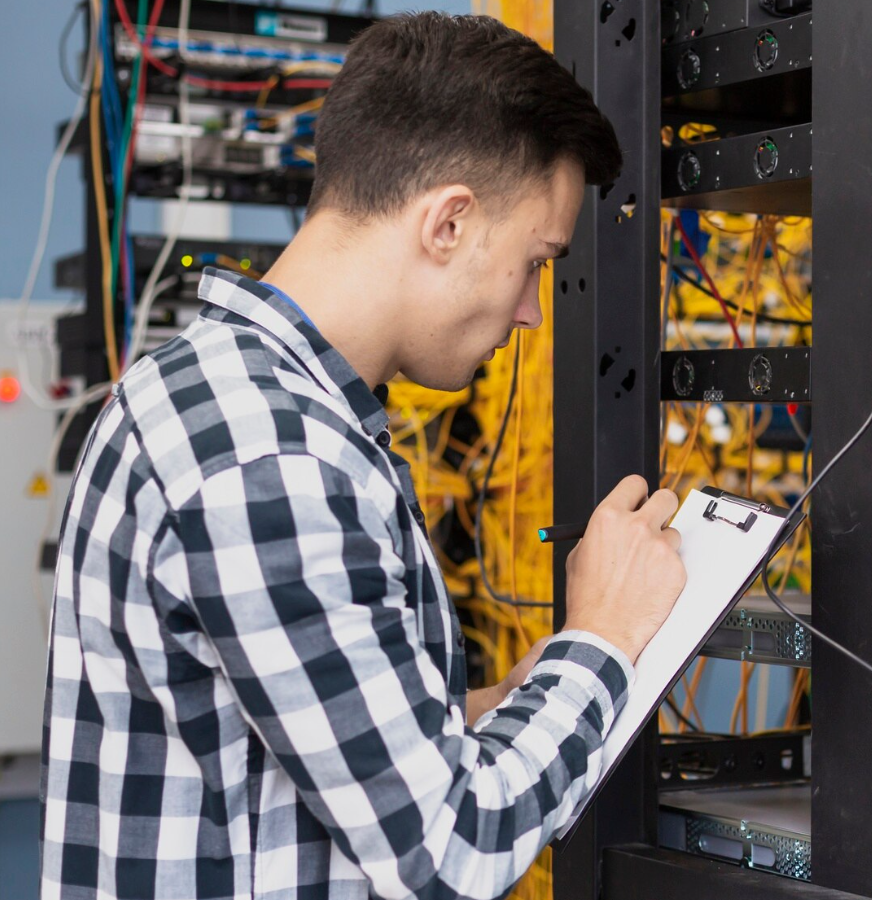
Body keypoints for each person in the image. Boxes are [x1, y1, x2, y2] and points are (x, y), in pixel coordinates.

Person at [40, 13, 686, 900]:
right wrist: (603, 637)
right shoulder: (266, 454)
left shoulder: (234, 405)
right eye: (537, 261)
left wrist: (516, 701)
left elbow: (304, 751)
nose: (534, 311)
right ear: (449, 223)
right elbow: (448, 855)